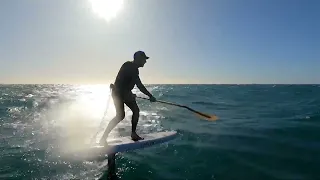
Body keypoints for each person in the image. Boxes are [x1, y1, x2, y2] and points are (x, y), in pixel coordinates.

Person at [99, 51, 156, 144]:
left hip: (124, 93)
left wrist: (150, 96)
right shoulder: (128, 65)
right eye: (144, 59)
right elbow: (121, 82)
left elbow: (139, 85)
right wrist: (128, 93)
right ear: (138, 59)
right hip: (118, 93)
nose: (145, 61)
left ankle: (133, 134)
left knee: (135, 111)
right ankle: (103, 138)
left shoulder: (135, 69)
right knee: (120, 115)